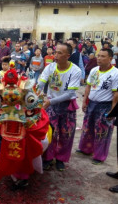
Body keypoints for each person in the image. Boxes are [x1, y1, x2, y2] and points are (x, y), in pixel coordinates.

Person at [38, 43, 81, 171]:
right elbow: (41, 83)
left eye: (59, 53)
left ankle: (61, 159)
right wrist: (35, 92)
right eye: (55, 52)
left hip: (67, 106)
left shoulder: (75, 71)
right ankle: (48, 157)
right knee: (49, 132)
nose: (55, 55)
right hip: (51, 104)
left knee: (65, 134)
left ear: (68, 56)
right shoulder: (50, 67)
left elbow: (70, 94)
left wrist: (50, 102)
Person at [77, 48, 118, 164]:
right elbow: (88, 86)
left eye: (103, 56)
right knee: (87, 127)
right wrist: (84, 101)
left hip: (105, 105)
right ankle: (86, 149)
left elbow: (116, 94)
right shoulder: (94, 70)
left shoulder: (115, 73)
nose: (99, 58)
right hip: (92, 103)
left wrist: (113, 110)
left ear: (110, 59)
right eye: (98, 55)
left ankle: (99, 156)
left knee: (103, 132)